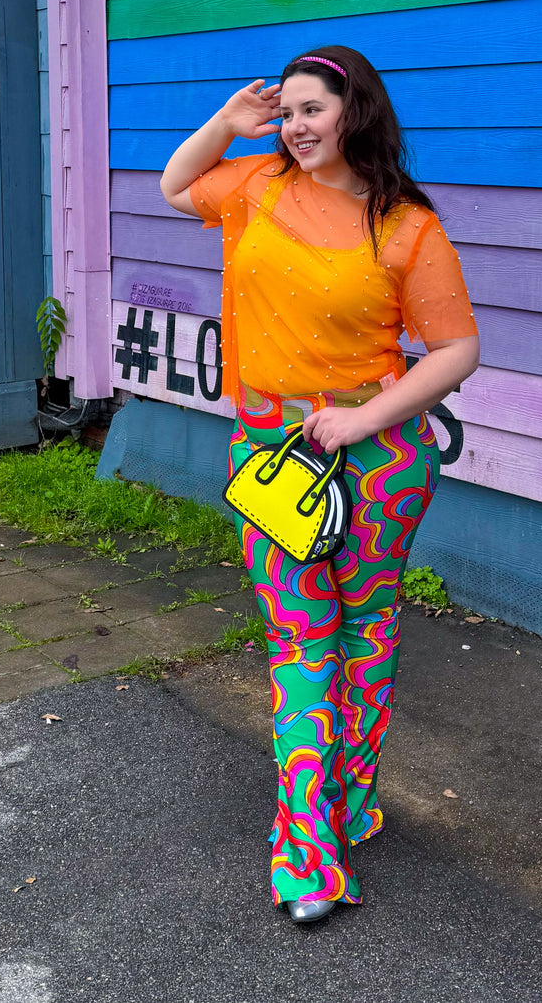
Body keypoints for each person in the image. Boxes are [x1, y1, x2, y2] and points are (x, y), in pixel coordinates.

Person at [160, 46, 479, 923]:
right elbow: (176, 185)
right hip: (271, 454)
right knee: (301, 643)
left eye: (314, 110)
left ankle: (348, 801)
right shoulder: (256, 186)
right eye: (288, 111)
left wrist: (361, 420)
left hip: (378, 459)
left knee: (368, 630)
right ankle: (308, 850)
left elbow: (457, 349)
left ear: (354, 112)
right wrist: (227, 125)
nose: (297, 126)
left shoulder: (407, 225)